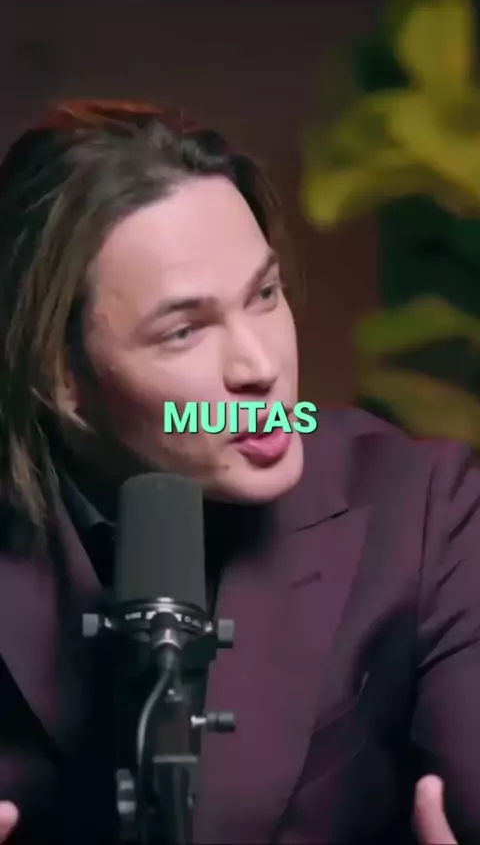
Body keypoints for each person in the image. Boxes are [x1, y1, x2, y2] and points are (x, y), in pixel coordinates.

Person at [0, 98, 477, 845]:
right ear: (59, 379)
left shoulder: (424, 504)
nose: (260, 367)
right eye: (184, 331)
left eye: (264, 295)